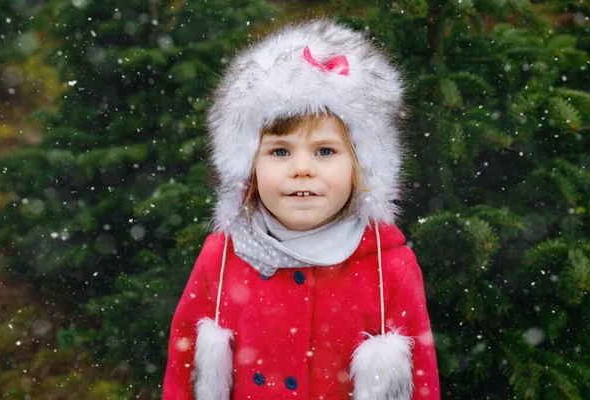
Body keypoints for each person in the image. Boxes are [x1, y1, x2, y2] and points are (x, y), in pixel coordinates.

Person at [162, 17, 440, 400]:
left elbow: (421, 381)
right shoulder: (222, 256)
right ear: (248, 169)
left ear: (361, 165)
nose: (302, 168)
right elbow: (183, 366)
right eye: (279, 151)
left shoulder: (389, 268)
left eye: (325, 151)